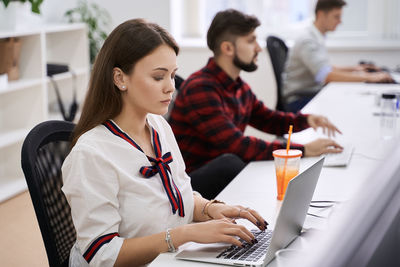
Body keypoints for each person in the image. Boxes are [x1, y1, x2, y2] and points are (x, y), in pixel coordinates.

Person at [61, 19, 268, 267]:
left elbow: (179, 197)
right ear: (119, 79)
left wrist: (211, 209)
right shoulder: (91, 153)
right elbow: (101, 254)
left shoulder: (158, 126)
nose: (171, 87)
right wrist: (185, 234)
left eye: (172, 75)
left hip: (170, 259)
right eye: (159, 77)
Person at [169, 9, 343, 187]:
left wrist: (307, 120)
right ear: (228, 48)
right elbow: (236, 145)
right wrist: (302, 150)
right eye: (251, 41)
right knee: (233, 162)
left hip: (223, 174)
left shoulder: (237, 86)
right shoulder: (200, 89)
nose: (259, 48)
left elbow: (269, 119)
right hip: (192, 184)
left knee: (251, 162)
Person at [282, 0, 394, 112]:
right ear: (321, 14)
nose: (340, 21)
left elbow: (326, 68)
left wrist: (356, 69)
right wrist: (369, 77)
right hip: (299, 100)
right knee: (350, 106)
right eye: (336, 16)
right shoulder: (307, 40)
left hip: (310, 94)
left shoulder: (316, 37)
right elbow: (326, 75)